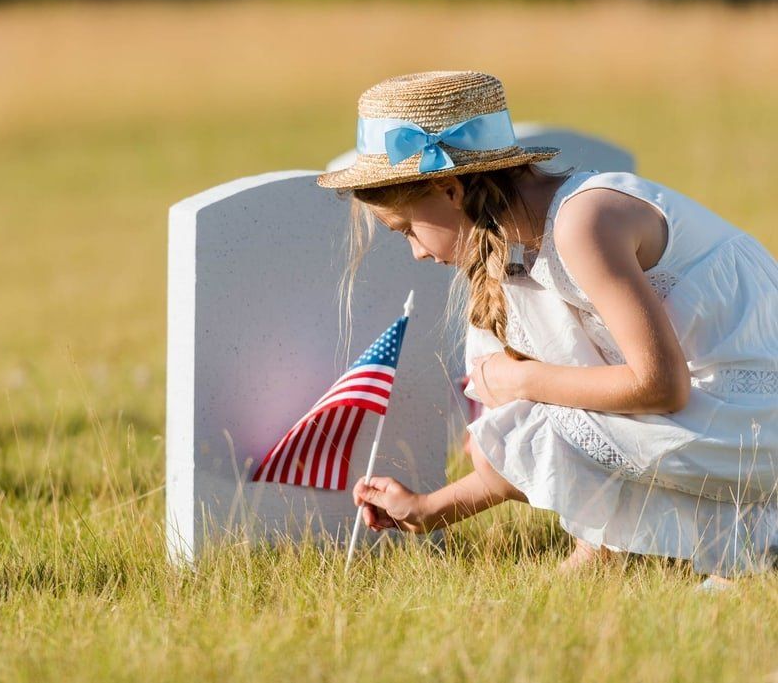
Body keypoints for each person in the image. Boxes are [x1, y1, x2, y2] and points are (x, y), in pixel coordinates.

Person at [317, 71, 778, 589]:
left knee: (526, 400)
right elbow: (527, 426)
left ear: (450, 189)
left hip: (755, 418)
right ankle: (606, 545)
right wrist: (427, 509)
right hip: (727, 415)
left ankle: (605, 550)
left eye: (408, 231)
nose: (418, 252)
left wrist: (525, 381)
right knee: (513, 408)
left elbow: (662, 386)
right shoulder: (524, 248)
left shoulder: (583, 223)